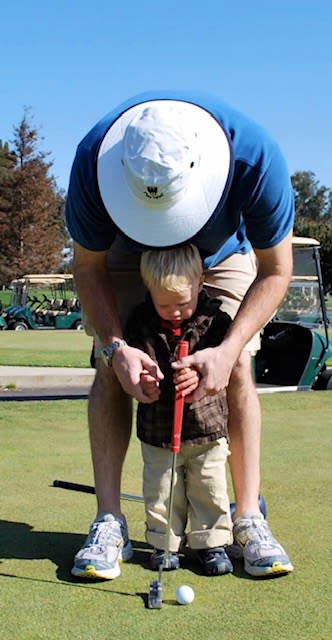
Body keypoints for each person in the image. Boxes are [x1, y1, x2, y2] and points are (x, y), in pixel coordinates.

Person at [66, 90, 294, 580]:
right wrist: (116, 346)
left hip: (221, 254)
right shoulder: (92, 161)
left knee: (236, 365)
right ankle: (109, 520)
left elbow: (277, 270)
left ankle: (248, 515)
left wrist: (228, 347)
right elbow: (87, 267)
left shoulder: (254, 158)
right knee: (111, 368)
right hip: (126, 257)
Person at [126, 244, 233, 576]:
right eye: (164, 305)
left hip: (207, 427)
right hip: (158, 429)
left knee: (209, 486)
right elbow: (137, 364)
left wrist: (199, 373)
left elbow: (220, 367)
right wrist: (146, 382)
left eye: (182, 304)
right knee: (161, 489)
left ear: (200, 283)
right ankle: (164, 545)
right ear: (149, 290)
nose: (174, 312)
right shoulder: (140, 323)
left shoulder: (216, 321)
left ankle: (210, 543)